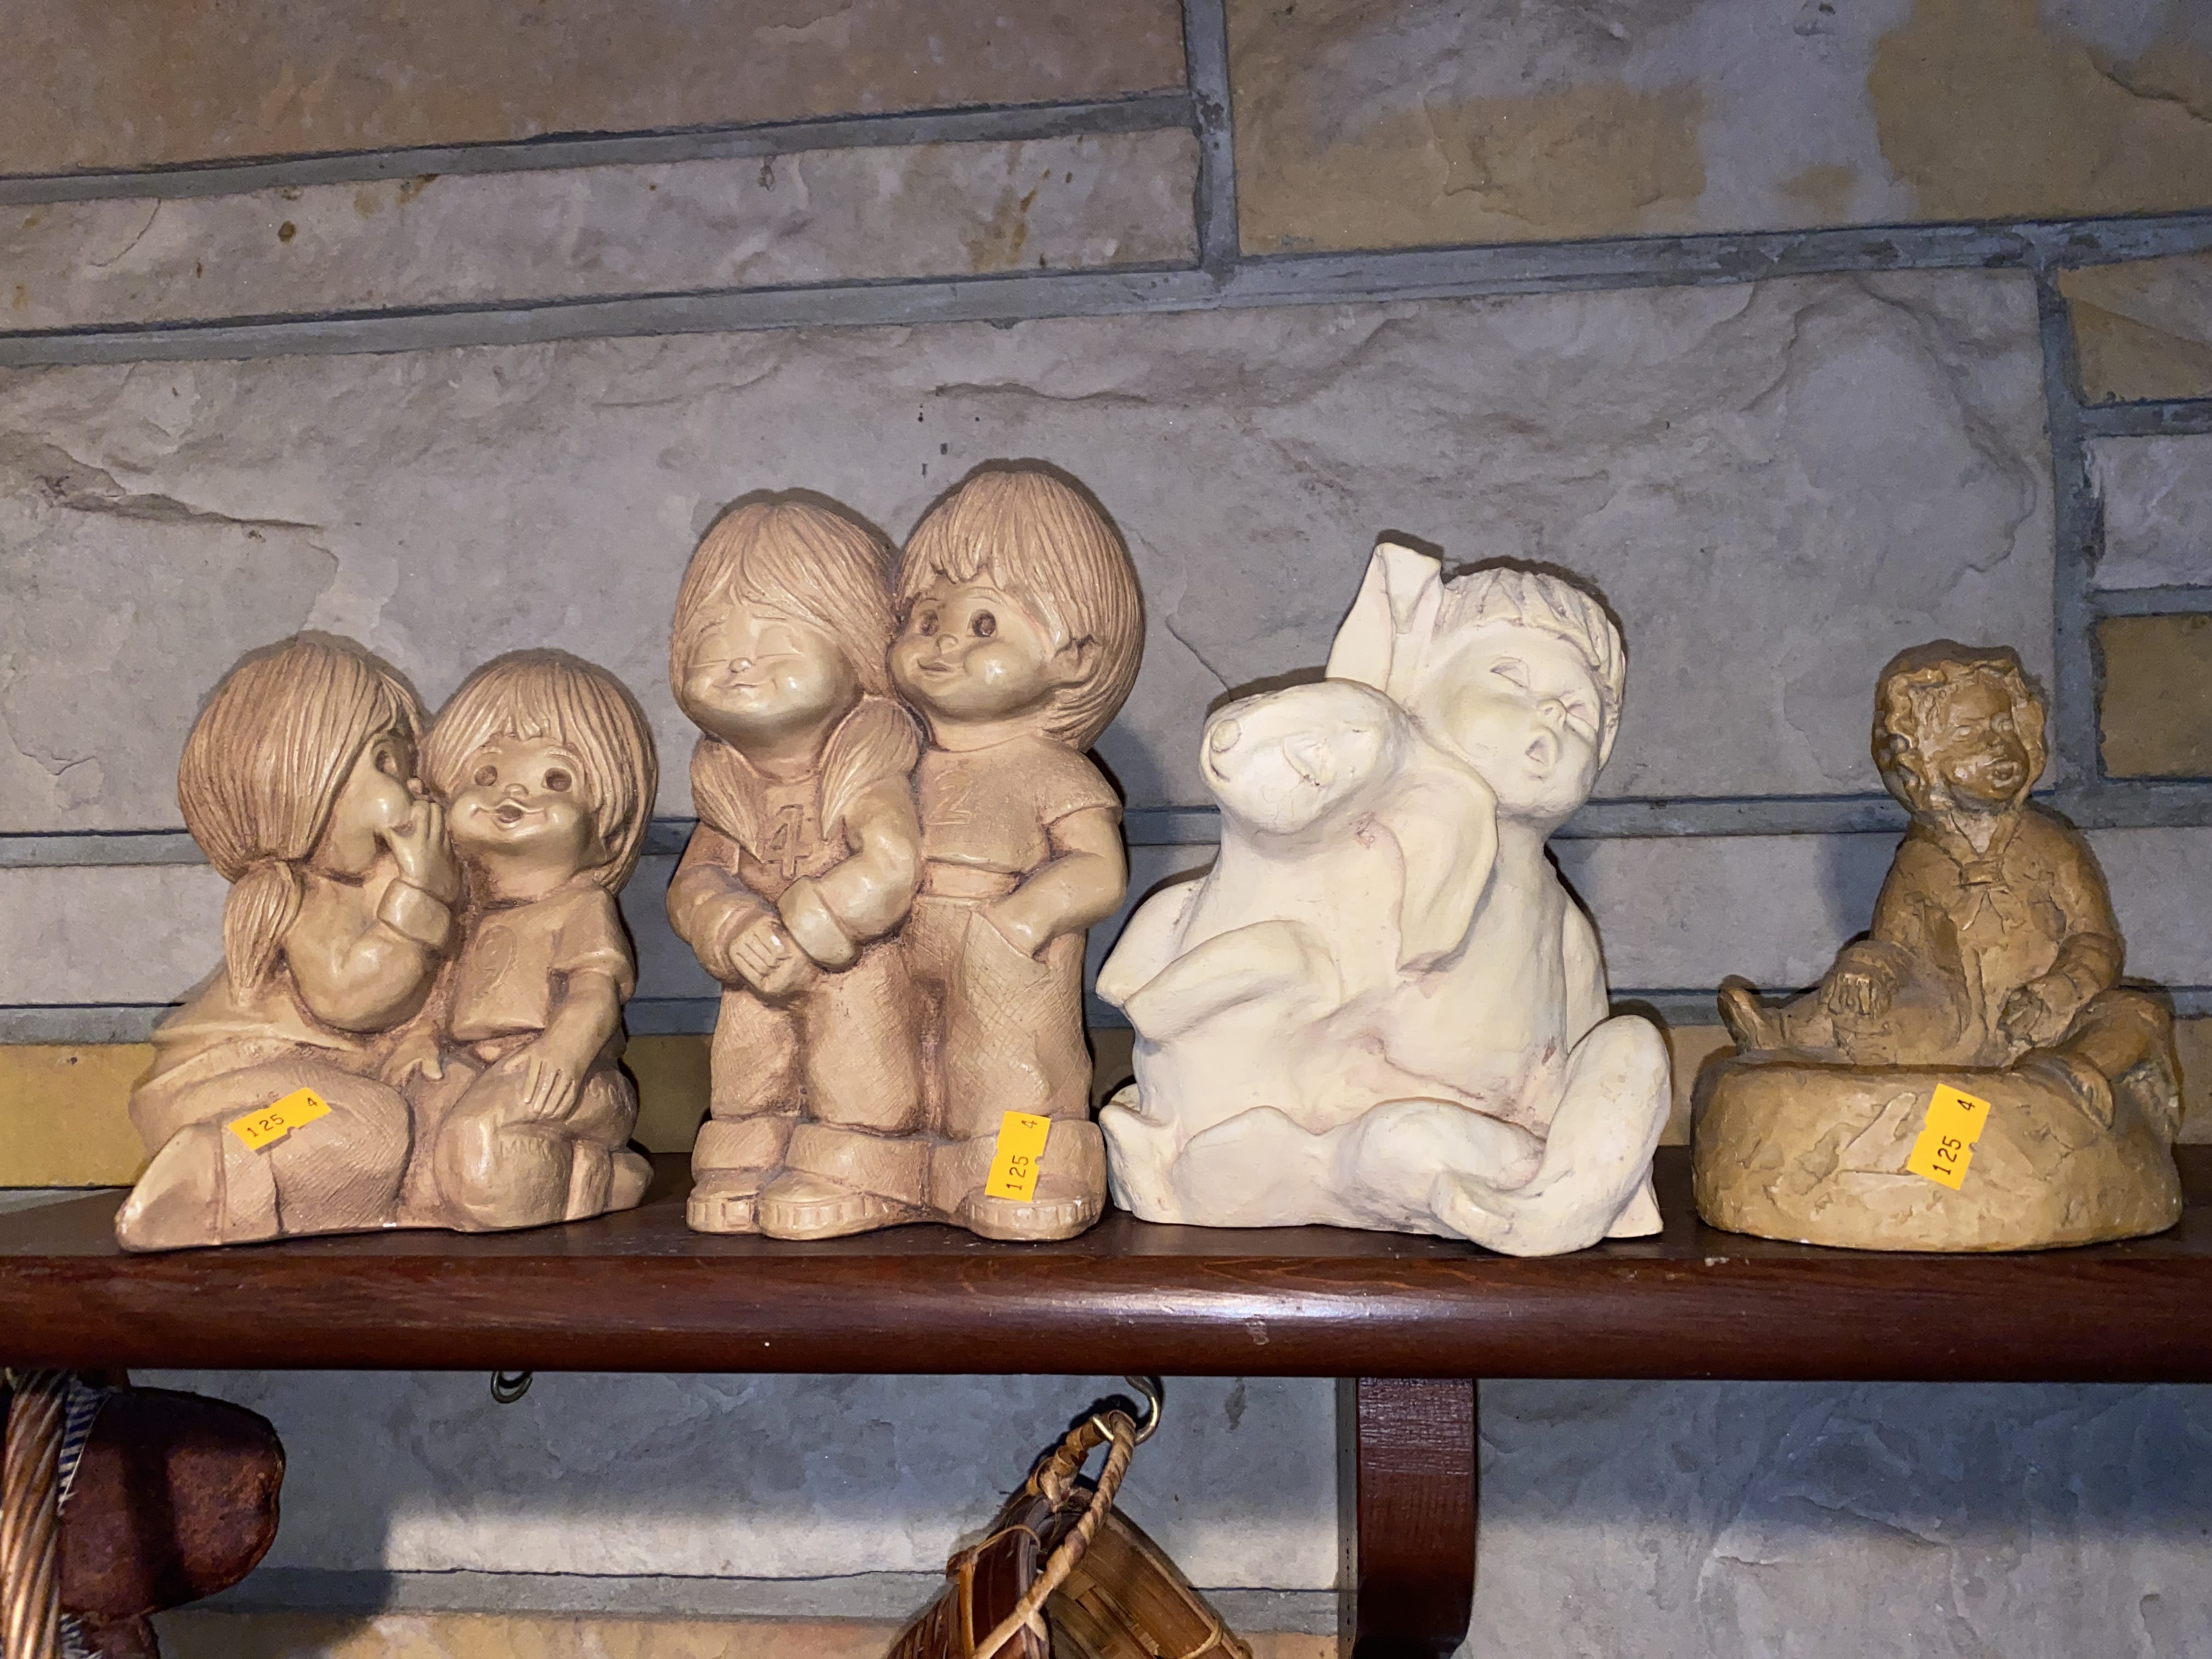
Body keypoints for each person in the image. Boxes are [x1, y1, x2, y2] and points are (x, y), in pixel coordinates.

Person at [119, 635, 454, 1250]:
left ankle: (225, 1162)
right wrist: (423, 892)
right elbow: (352, 997)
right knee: (371, 1127)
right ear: (303, 780)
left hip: (286, 1090)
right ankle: (222, 1161)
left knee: (373, 1119)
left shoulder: (360, 887)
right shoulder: (299, 896)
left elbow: (413, 1003)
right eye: (386, 763)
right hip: (228, 1080)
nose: (414, 790)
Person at [891, 465, 1143, 1240]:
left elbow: (1099, 869)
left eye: (984, 625)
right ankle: (905, 1174)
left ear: (1075, 657)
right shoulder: (897, 763)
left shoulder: (1052, 769)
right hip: (899, 948)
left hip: (1006, 956)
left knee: (1014, 1077)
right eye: (926, 618)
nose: (942, 642)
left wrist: (1021, 921)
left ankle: (1024, 1177)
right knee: (906, 1074)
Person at [665, 497, 925, 1237]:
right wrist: (730, 923)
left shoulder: (869, 771)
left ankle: (860, 1162)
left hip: (850, 967)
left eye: (778, 637)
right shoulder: (729, 787)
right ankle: (748, 1149)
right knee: (749, 1055)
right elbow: (694, 883)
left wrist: (811, 929)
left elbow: (893, 864)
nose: (740, 659)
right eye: (714, 638)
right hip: (757, 969)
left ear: (858, 647)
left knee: (855, 1048)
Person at [400, 650, 658, 1231]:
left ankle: (600, 1179)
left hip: (570, 1078)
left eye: (554, 780)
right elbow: (437, 996)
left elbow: (595, 992)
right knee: (414, 1130)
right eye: (486, 776)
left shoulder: (580, 905)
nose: (511, 794)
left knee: (478, 1141)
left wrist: (563, 1050)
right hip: (473, 1063)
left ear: (607, 829)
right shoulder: (465, 916)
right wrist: (419, 1039)